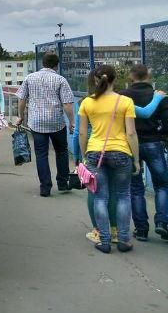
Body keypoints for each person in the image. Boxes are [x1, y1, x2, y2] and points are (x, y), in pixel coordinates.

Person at [78, 65, 139, 253]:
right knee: (123, 195)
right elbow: (131, 133)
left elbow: (82, 133)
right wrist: (136, 159)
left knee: (100, 197)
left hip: (95, 153)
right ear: (114, 79)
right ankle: (123, 240)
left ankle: (104, 241)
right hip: (121, 152)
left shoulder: (87, 102)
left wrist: (84, 154)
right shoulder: (125, 101)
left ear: (96, 80)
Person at [119, 64, 168, 242]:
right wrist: (162, 136)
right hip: (154, 142)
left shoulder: (122, 96)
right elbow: (167, 122)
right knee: (162, 184)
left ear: (131, 76)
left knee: (135, 187)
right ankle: (163, 222)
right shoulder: (159, 96)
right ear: (149, 76)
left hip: (131, 144)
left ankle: (141, 229)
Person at [16, 52, 75, 197]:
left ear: (43, 63)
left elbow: (22, 99)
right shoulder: (60, 79)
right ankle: (62, 183)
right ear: (56, 65)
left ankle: (45, 187)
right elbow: (67, 104)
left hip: (36, 122)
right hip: (56, 122)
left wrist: (20, 116)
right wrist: (72, 121)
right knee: (61, 152)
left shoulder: (30, 78)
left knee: (41, 154)